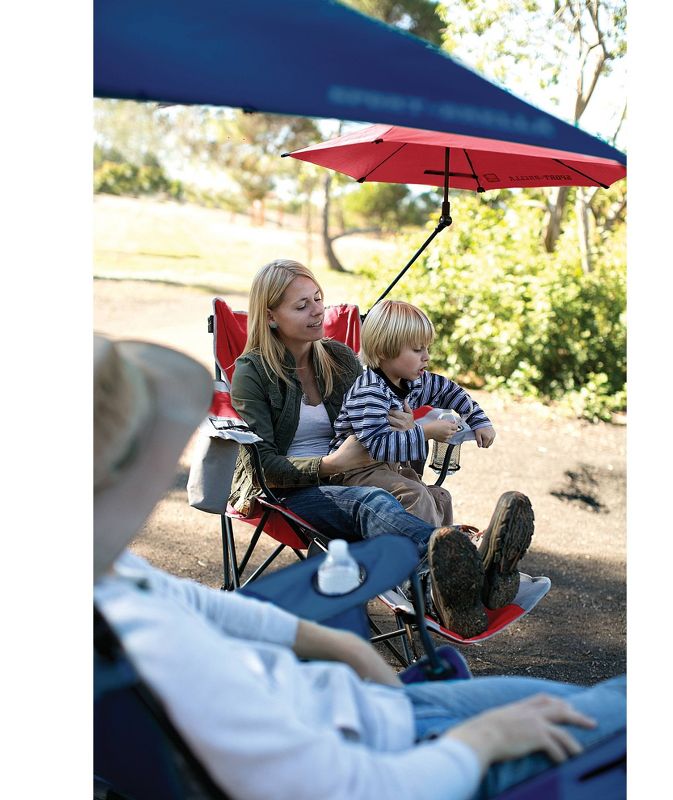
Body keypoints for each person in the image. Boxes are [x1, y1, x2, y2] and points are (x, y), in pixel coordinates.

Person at [93, 332, 627, 800]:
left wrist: (341, 645)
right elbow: (360, 789)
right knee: (623, 715)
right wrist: (483, 741)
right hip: (416, 760)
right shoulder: (143, 649)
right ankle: (454, 582)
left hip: (371, 711)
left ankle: (464, 581)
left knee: (617, 699)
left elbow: (195, 601)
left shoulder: (111, 578)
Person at [229, 259, 532, 637]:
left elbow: (379, 414)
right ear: (271, 316)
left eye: (318, 298)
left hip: (356, 471)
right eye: (301, 305)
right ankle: (470, 562)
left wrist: (407, 423)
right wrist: (331, 464)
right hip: (292, 490)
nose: (317, 310)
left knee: (432, 494)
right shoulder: (252, 372)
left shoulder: (338, 358)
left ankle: (456, 588)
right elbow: (264, 467)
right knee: (372, 501)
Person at [330, 298, 496, 530]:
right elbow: (378, 445)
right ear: (383, 351)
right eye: (417, 349)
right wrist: (427, 432)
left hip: (384, 470)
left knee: (440, 497)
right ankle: (429, 556)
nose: (426, 356)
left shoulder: (411, 381)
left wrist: (479, 421)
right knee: (414, 494)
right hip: (352, 474)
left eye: (427, 348)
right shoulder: (370, 391)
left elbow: (450, 391)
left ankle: (450, 552)